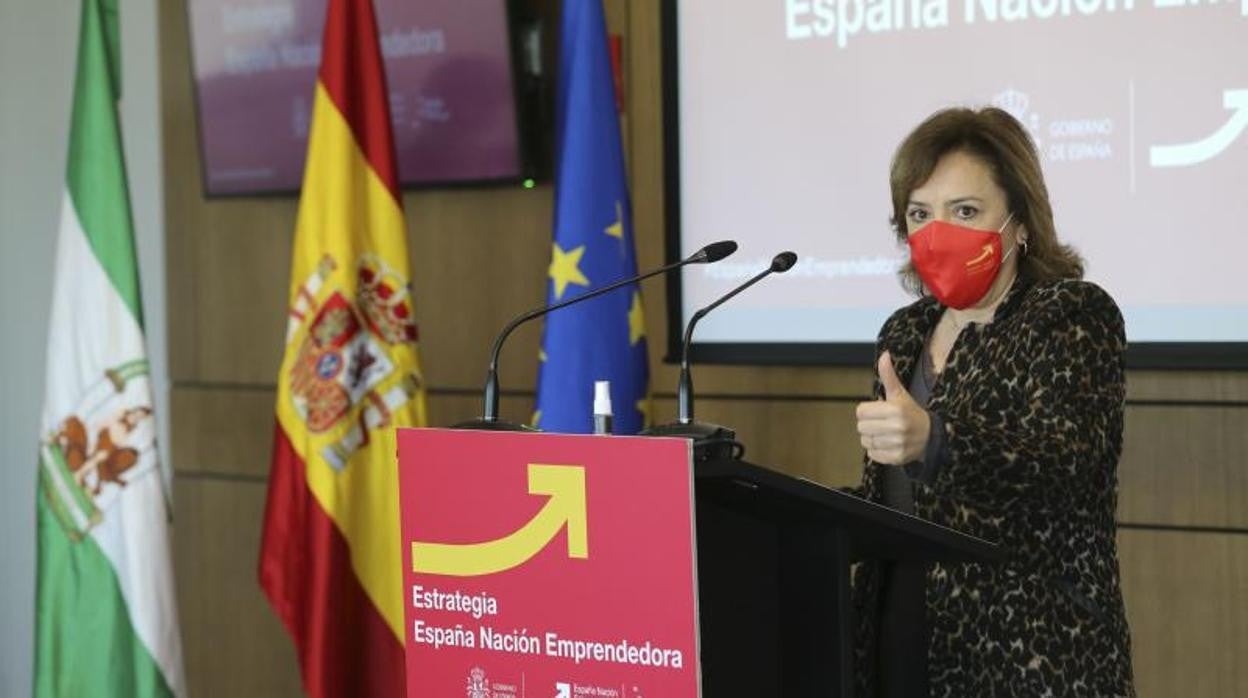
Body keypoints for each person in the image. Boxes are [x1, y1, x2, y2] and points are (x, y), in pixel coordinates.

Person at [851, 106, 1135, 697]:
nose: (938, 232)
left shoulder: (1071, 315)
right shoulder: (903, 332)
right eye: (920, 214)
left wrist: (935, 440)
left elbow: (1064, 467)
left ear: (1020, 222)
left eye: (965, 211)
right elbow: (896, 500)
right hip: (902, 635)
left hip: (1030, 651)